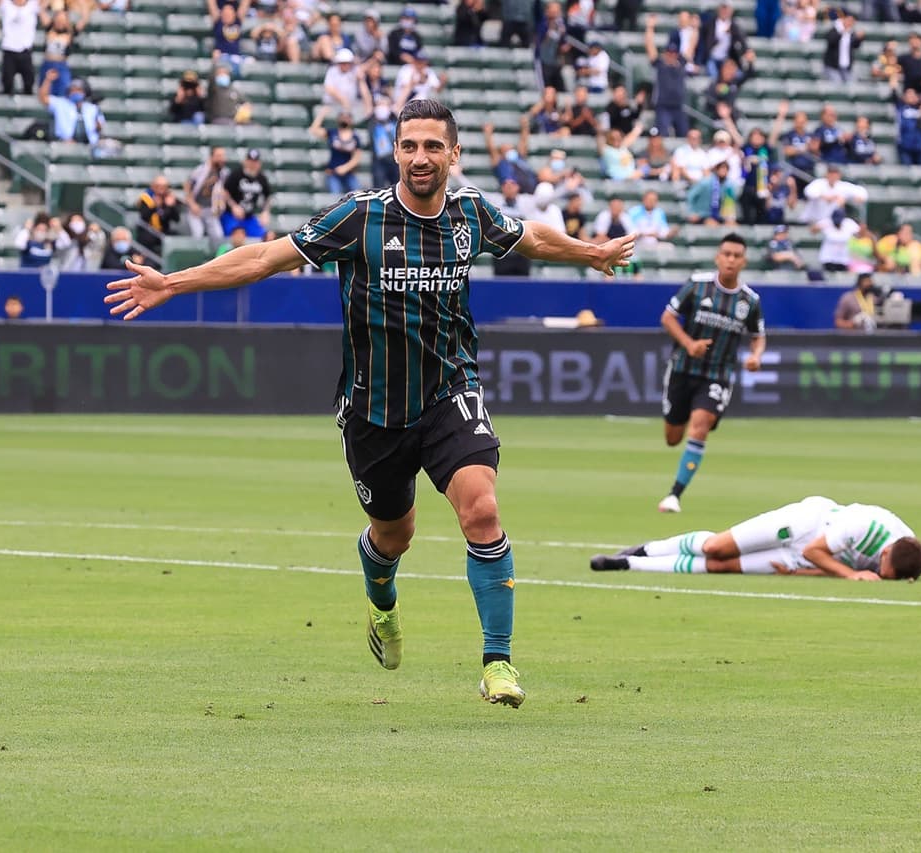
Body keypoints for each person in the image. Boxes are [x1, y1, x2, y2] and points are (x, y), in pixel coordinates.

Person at [104, 99, 637, 707]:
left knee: (482, 512)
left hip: (448, 391)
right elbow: (261, 258)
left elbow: (531, 236)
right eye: (409, 145)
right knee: (394, 533)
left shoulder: (471, 213)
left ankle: (498, 662)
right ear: (395, 152)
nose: (420, 157)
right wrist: (173, 282)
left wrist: (589, 253)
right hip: (373, 410)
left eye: (433, 146)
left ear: (453, 154)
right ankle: (381, 599)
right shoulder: (359, 219)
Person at [655, 233, 765, 514]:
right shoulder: (697, 285)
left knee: (700, 424)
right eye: (726, 254)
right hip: (682, 369)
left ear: (744, 261)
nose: (730, 260)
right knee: (672, 436)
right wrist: (689, 344)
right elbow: (668, 317)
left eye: (736, 256)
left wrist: (755, 356)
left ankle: (674, 495)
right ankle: (676, 483)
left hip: (718, 374)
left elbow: (757, 335)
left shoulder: (749, 301)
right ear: (718, 257)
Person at [589, 495, 921, 581]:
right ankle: (647, 549)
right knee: (715, 547)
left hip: (804, 559)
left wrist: (802, 573)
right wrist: (851, 575)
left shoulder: (905, 548)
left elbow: (818, 563)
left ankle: (626, 564)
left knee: (723, 567)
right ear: (885, 555)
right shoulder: (866, 526)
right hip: (806, 526)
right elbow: (816, 550)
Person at [220, 148, 272, 248]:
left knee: (268, 237)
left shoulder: (261, 178)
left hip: (249, 217)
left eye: (255, 162)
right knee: (238, 236)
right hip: (231, 216)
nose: (252, 165)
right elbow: (224, 191)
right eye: (250, 161)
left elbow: (268, 196)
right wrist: (234, 206)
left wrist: (265, 212)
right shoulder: (236, 174)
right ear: (245, 161)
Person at [310, 108, 363, 194]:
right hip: (333, 172)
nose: (344, 119)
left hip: (349, 173)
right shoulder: (333, 133)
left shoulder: (355, 137)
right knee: (335, 198)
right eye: (342, 117)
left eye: (347, 117)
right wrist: (321, 115)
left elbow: (357, 158)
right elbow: (314, 130)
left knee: (358, 195)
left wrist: (345, 168)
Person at [184, 147, 228, 247]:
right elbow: (187, 187)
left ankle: (215, 261)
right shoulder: (200, 171)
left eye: (223, 156)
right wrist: (192, 204)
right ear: (212, 157)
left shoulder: (223, 173)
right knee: (198, 234)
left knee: (218, 235)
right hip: (196, 209)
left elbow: (223, 193)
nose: (222, 159)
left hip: (211, 210)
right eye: (219, 156)